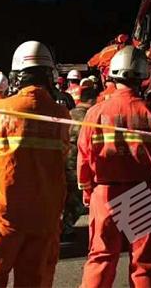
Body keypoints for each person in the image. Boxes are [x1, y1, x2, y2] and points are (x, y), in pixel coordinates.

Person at [0, 41, 70, 287]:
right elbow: (63, 154)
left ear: (16, 76)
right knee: (35, 280)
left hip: (5, 214)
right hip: (44, 215)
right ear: (49, 75)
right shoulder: (61, 115)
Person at [77, 46, 151, 288]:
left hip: (105, 193)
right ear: (143, 76)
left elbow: (84, 158)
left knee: (101, 257)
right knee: (144, 264)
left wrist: (88, 192)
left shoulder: (96, 112)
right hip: (144, 193)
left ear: (112, 75)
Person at [61, 86, 96, 242]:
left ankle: (60, 225)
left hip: (62, 160)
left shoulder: (68, 114)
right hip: (76, 163)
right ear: (92, 100)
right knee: (76, 198)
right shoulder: (89, 118)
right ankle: (65, 228)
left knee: (64, 196)